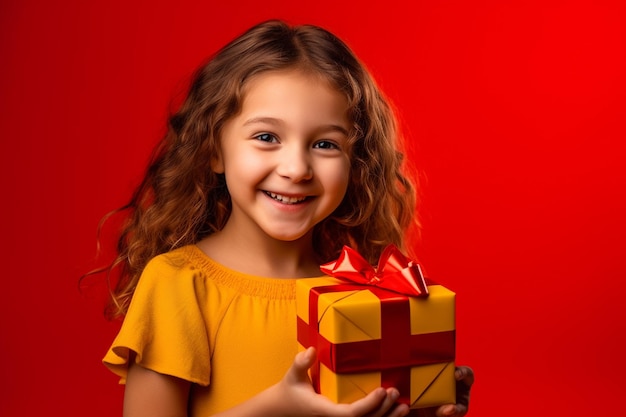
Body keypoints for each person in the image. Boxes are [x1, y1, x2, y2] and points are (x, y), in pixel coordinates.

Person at [95, 19, 474, 417]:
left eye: (325, 144)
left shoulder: (360, 295)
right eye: (266, 137)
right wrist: (277, 408)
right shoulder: (178, 285)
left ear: (355, 164)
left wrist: (420, 405)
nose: (296, 168)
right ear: (214, 151)